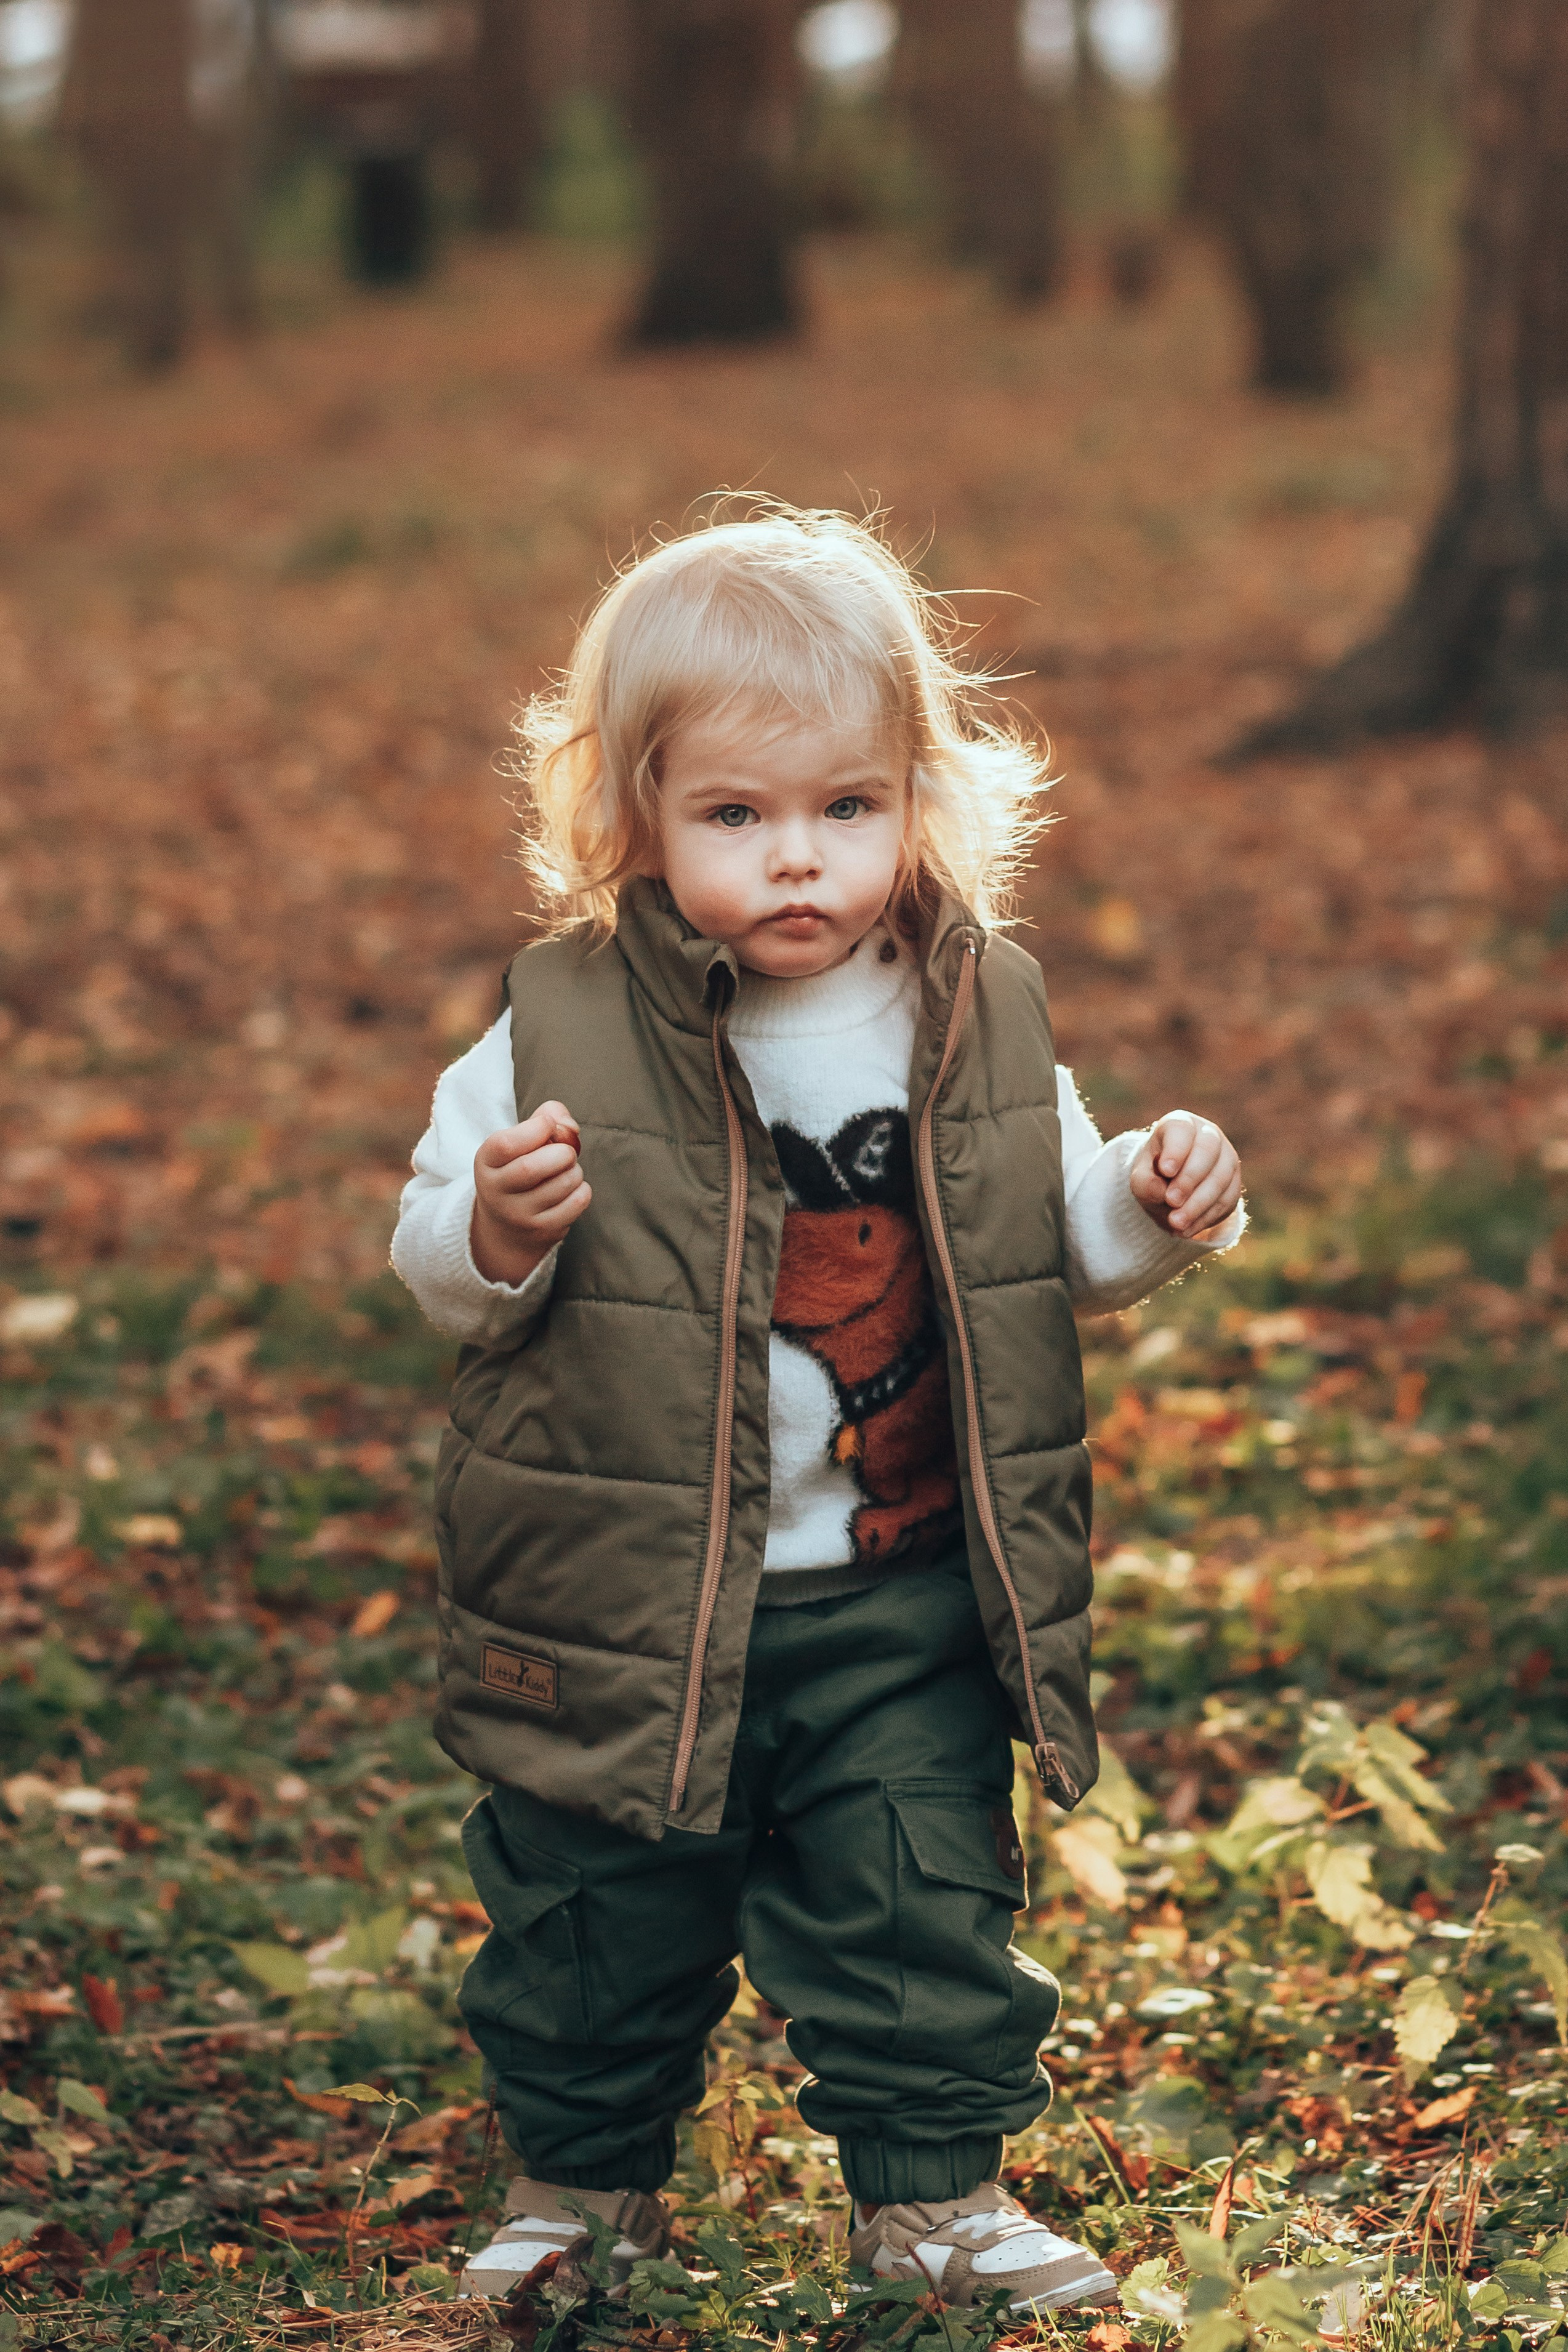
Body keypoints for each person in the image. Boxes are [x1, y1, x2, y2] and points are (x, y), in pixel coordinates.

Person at [391, 504, 1244, 2314]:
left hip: (899, 1584)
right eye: (735, 816)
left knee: (918, 1892)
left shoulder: (973, 1010)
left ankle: (932, 2194)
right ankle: (577, 2187)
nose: (798, 861)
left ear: (915, 800)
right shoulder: (550, 1027)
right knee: (588, 1909)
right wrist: (490, 1225)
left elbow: (1058, 1240)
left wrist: (1151, 1207)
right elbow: (437, 1267)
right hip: (623, 1598)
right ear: (632, 810)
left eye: (844, 809)